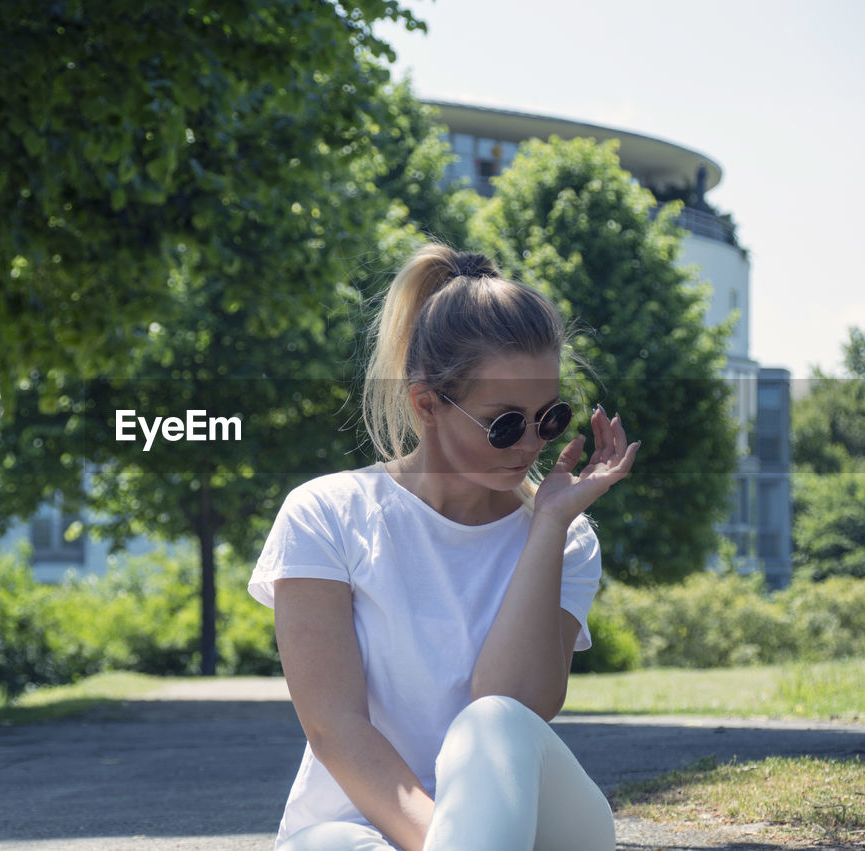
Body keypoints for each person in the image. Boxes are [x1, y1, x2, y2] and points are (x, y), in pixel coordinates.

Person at [248, 243, 641, 850]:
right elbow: (336, 728)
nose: (532, 443)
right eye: (505, 423)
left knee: (493, 722)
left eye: (551, 417)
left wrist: (549, 525)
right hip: (358, 829)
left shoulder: (566, 537)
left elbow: (517, 706)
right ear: (427, 404)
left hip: (534, 831)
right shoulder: (326, 514)